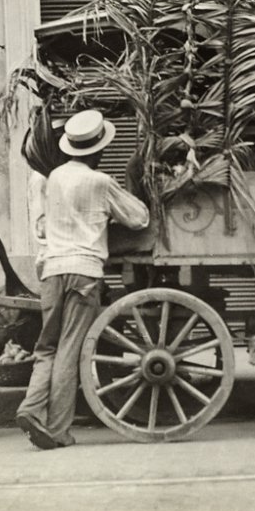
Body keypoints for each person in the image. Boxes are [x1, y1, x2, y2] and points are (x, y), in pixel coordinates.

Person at [16, 109, 150, 449]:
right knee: (70, 350)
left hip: (53, 271)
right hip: (85, 272)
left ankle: (31, 407)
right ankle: (58, 429)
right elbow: (138, 219)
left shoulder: (54, 177)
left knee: (46, 347)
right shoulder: (100, 182)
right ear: (97, 150)